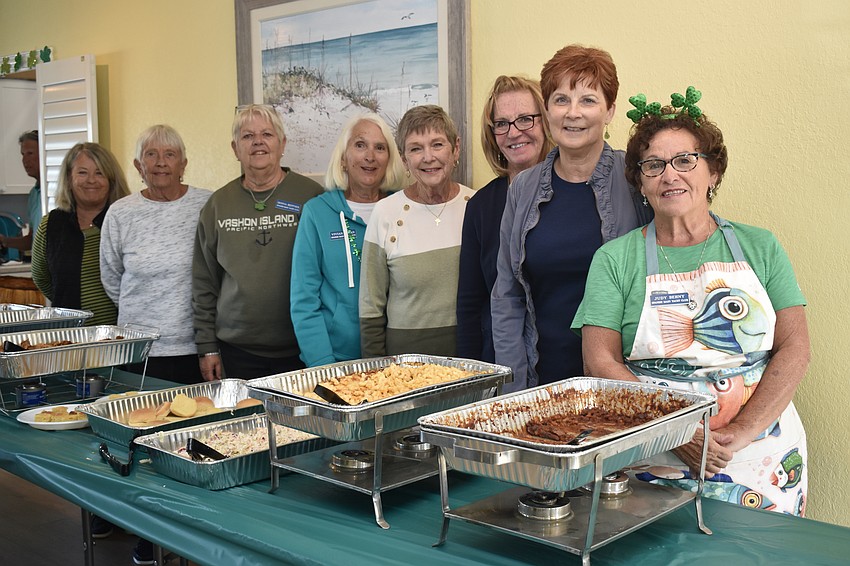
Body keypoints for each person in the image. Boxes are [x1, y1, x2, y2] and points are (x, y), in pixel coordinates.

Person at [571, 87, 810, 516]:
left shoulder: (761, 246)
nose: (670, 175)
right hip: (651, 451)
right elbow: (600, 363)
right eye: (654, 165)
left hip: (760, 454)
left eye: (685, 160)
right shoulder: (614, 259)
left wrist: (740, 430)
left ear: (713, 172)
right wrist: (676, 433)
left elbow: (794, 348)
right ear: (641, 181)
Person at [491, 45, 652, 391]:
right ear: (547, 110)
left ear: (610, 111)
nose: (572, 113)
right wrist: (514, 387)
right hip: (540, 379)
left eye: (588, 100)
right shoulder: (523, 188)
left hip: (624, 381)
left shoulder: (636, 179)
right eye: (561, 99)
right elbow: (507, 295)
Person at [193, 104, 323, 380]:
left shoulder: (311, 196)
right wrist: (207, 348)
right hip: (237, 352)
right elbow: (204, 281)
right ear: (235, 148)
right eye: (247, 136)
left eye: (267, 134)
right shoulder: (218, 205)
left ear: (282, 143)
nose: (258, 142)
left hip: (303, 348)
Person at [359, 105, 474, 357]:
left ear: (456, 149)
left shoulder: (476, 206)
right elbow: (371, 306)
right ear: (404, 160)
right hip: (405, 366)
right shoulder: (385, 213)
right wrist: (376, 369)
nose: (428, 157)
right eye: (415, 148)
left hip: (470, 356)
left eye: (437, 144)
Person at [291, 113, 405, 367]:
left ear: (389, 159)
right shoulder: (317, 213)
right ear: (343, 158)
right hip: (336, 362)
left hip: (398, 362)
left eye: (380, 147)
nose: (370, 156)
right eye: (360, 145)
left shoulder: (403, 209)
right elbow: (304, 300)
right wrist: (323, 366)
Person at [101, 125, 211, 384]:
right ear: (139, 166)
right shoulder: (120, 213)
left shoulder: (208, 205)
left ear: (183, 165)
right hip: (138, 349)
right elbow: (111, 276)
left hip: (195, 347)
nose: (161, 163)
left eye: (170, 154)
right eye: (151, 155)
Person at [456, 76, 553, 362]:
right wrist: (470, 377)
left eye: (525, 119)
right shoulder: (480, 206)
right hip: (500, 361)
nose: (514, 132)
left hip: (565, 358)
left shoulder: (572, 193)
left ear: (546, 122)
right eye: (502, 123)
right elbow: (470, 303)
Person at [32, 142, 130, 326]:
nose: (91, 180)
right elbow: (41, 276)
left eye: (99, 173)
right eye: (82, 172)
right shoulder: (51, 224)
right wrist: (68, 298)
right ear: (69, 178)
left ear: (111, 179)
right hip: (68, 338)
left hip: (119, 336)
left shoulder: (126, 221)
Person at [0, 130, 42, 254]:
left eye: (30, 153)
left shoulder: (58, 192)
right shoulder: (34, 194)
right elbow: (31, 240)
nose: (24, 160)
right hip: (40, 268)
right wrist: (5, 241)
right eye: (22, 154)